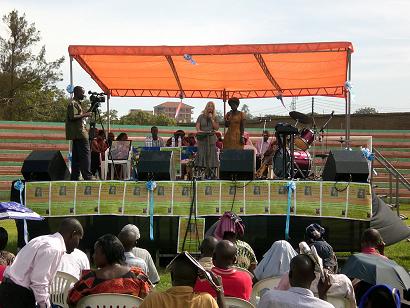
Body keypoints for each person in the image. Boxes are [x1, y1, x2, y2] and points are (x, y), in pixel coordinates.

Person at [0, 218, 83, 308]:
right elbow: (39, 283)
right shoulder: (53, 248)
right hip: (17, 294)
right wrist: (46, 305)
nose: (78, 243)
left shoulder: (43, 240)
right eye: (79, 239)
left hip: (11, 289)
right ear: (73, 234)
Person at [67, 234, 151, 306]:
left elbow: (71, 300)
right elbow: (149, 300)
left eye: (96, 252)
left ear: (105, 254)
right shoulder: (137, 276)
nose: (93, 256)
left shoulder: (88, 281)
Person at [140, 251, 225, 308]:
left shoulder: (153, 300)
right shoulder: (206, 301)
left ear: (172, 276)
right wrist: (220, 292)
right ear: (196, 279)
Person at [258, 254, 333, 308]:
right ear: (313, 277)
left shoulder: (270, 298)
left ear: (290, 274)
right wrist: (322, 296)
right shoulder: (326, 306)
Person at [65, 86, 93, 181]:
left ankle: (75, 177)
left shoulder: (77, 104)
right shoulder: (73, 103)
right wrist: (86, 114)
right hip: (80, 134)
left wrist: (91, 108)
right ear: (76, 93)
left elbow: (80, 117)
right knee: (85, 156)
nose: (84, 95)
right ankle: (87, 176)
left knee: (76, 158)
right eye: (82, 93)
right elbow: (73, 117)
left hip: (78, 134)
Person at [195, 101, 219, 179]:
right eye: (209, 106)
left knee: (211, 156)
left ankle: (211, 174)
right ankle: (201, 174)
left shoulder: (215, 117)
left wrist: (211, 119)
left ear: (213, 108)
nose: (210, 108)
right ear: (206, 107)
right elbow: (197, 128)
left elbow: (216, 128)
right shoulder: (200, 117)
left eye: (212, 106)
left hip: (211, 139)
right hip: (202, 139)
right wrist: (201, 131)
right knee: (202, 155)